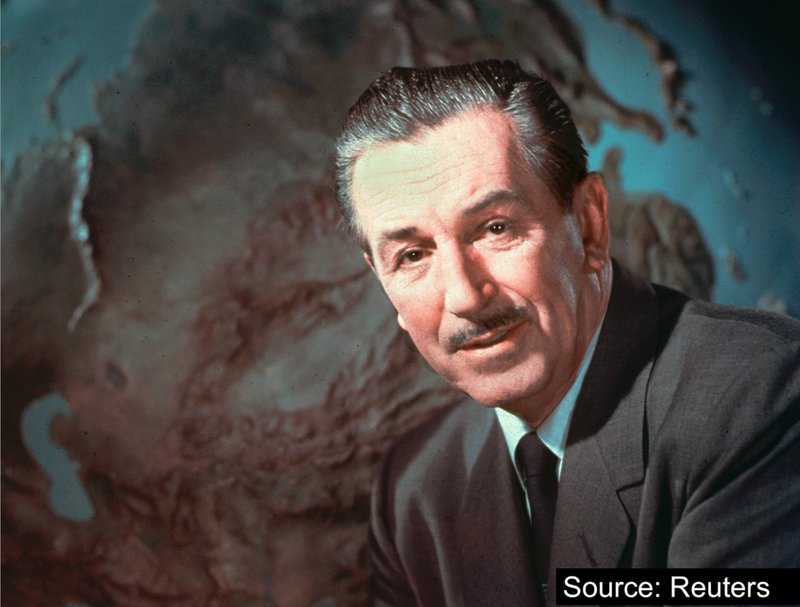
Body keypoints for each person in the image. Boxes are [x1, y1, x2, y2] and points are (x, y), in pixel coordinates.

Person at [333, 60, 800, 606]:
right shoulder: (413, 489)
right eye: (412, 256)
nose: (463, 297)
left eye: (496, 228)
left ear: (590, 224)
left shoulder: (759, 398)